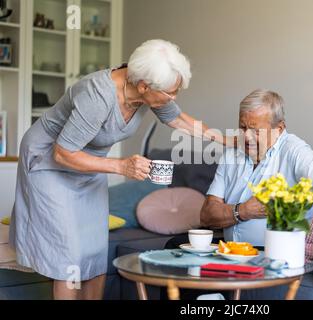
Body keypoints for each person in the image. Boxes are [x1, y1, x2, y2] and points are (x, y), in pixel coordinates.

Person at [9, 39, 233, 300]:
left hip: (89, 161)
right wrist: (120, 166)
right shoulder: (97, 96)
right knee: (68, 252)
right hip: (50, 160)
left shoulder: (149, 91)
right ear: (143, 86)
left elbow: (179, 119)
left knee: (94, 248)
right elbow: (62, 153)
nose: (174, 98)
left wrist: (228, 139)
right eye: (171, 93)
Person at [200, 89, 313, 298]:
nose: (246, 136)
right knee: (176, 256)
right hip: (227, 253)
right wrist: (243, 211)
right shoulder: (232, 154)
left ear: (279, 128)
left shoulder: (294, 150)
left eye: (255, 130)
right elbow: (207, 214)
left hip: (273, 256)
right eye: (242, 127)